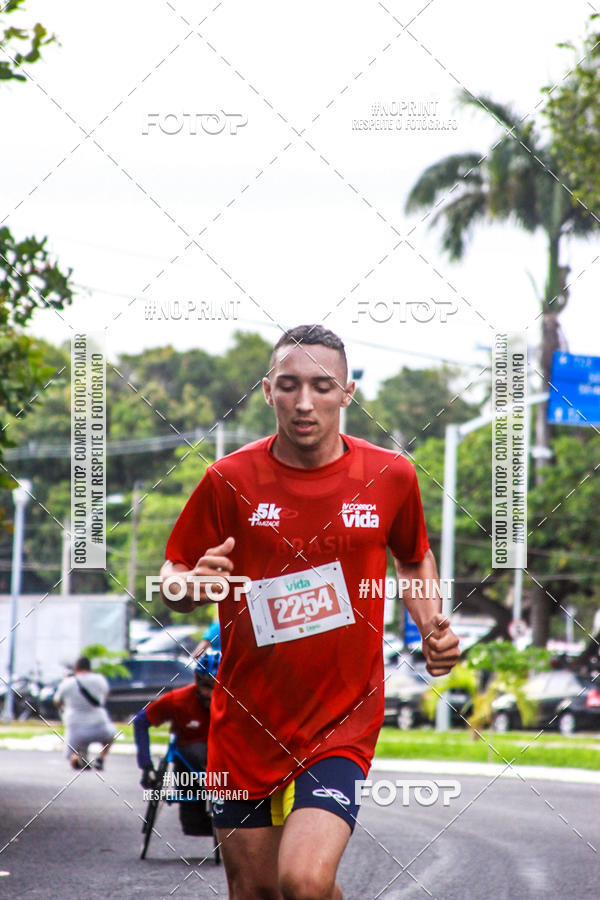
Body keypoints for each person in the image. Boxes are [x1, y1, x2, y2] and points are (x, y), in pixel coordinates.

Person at [159, 325, 460, 899]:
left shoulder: (389, 476)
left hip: (339, 720)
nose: (304, 403)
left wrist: (432, 627)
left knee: (304, 881)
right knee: (257, 892)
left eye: (322, 387)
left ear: (347, 392)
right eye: (289, 385)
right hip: (246, 723)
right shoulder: (228, 480)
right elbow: (172, 576)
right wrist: (189, 586)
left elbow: (415, 560)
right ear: (267, 390)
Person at [133, 651, 219, 835]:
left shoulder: (235, 702)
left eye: (216, 687)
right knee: (193, 825)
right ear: (195, 680)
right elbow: (141, 722)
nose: (210, 695)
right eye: (205, 687)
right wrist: (146, 765)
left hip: (223, 756)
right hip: (189, 757)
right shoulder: (177, 700)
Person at [53, 655, 117, 771]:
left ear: (76, 668)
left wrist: (65, 708)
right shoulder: (99, 679)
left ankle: (76, 758)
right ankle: (100, 758)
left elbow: (57, 701)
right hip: (99, 725)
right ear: (89, 668)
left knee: (73, 750)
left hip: (75, 727)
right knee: (113, 733)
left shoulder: (67, 683)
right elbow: (105, 696)